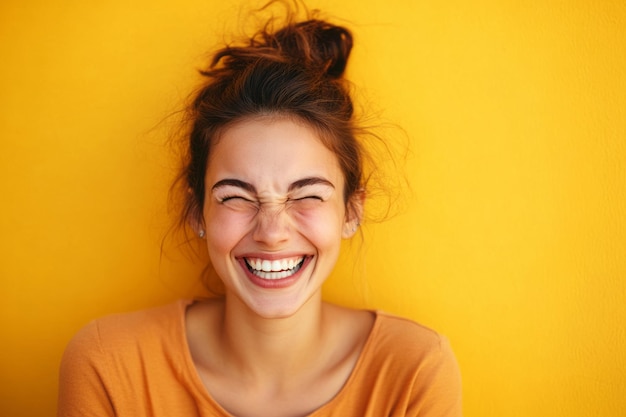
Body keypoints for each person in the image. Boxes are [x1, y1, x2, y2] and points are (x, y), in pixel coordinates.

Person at [57, 5, 462, 417]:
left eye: (307, 195)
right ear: (198, 212)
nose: (272, 232)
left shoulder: (415, 369)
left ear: (351, 211)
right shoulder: (109, 365)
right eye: (237, 196)